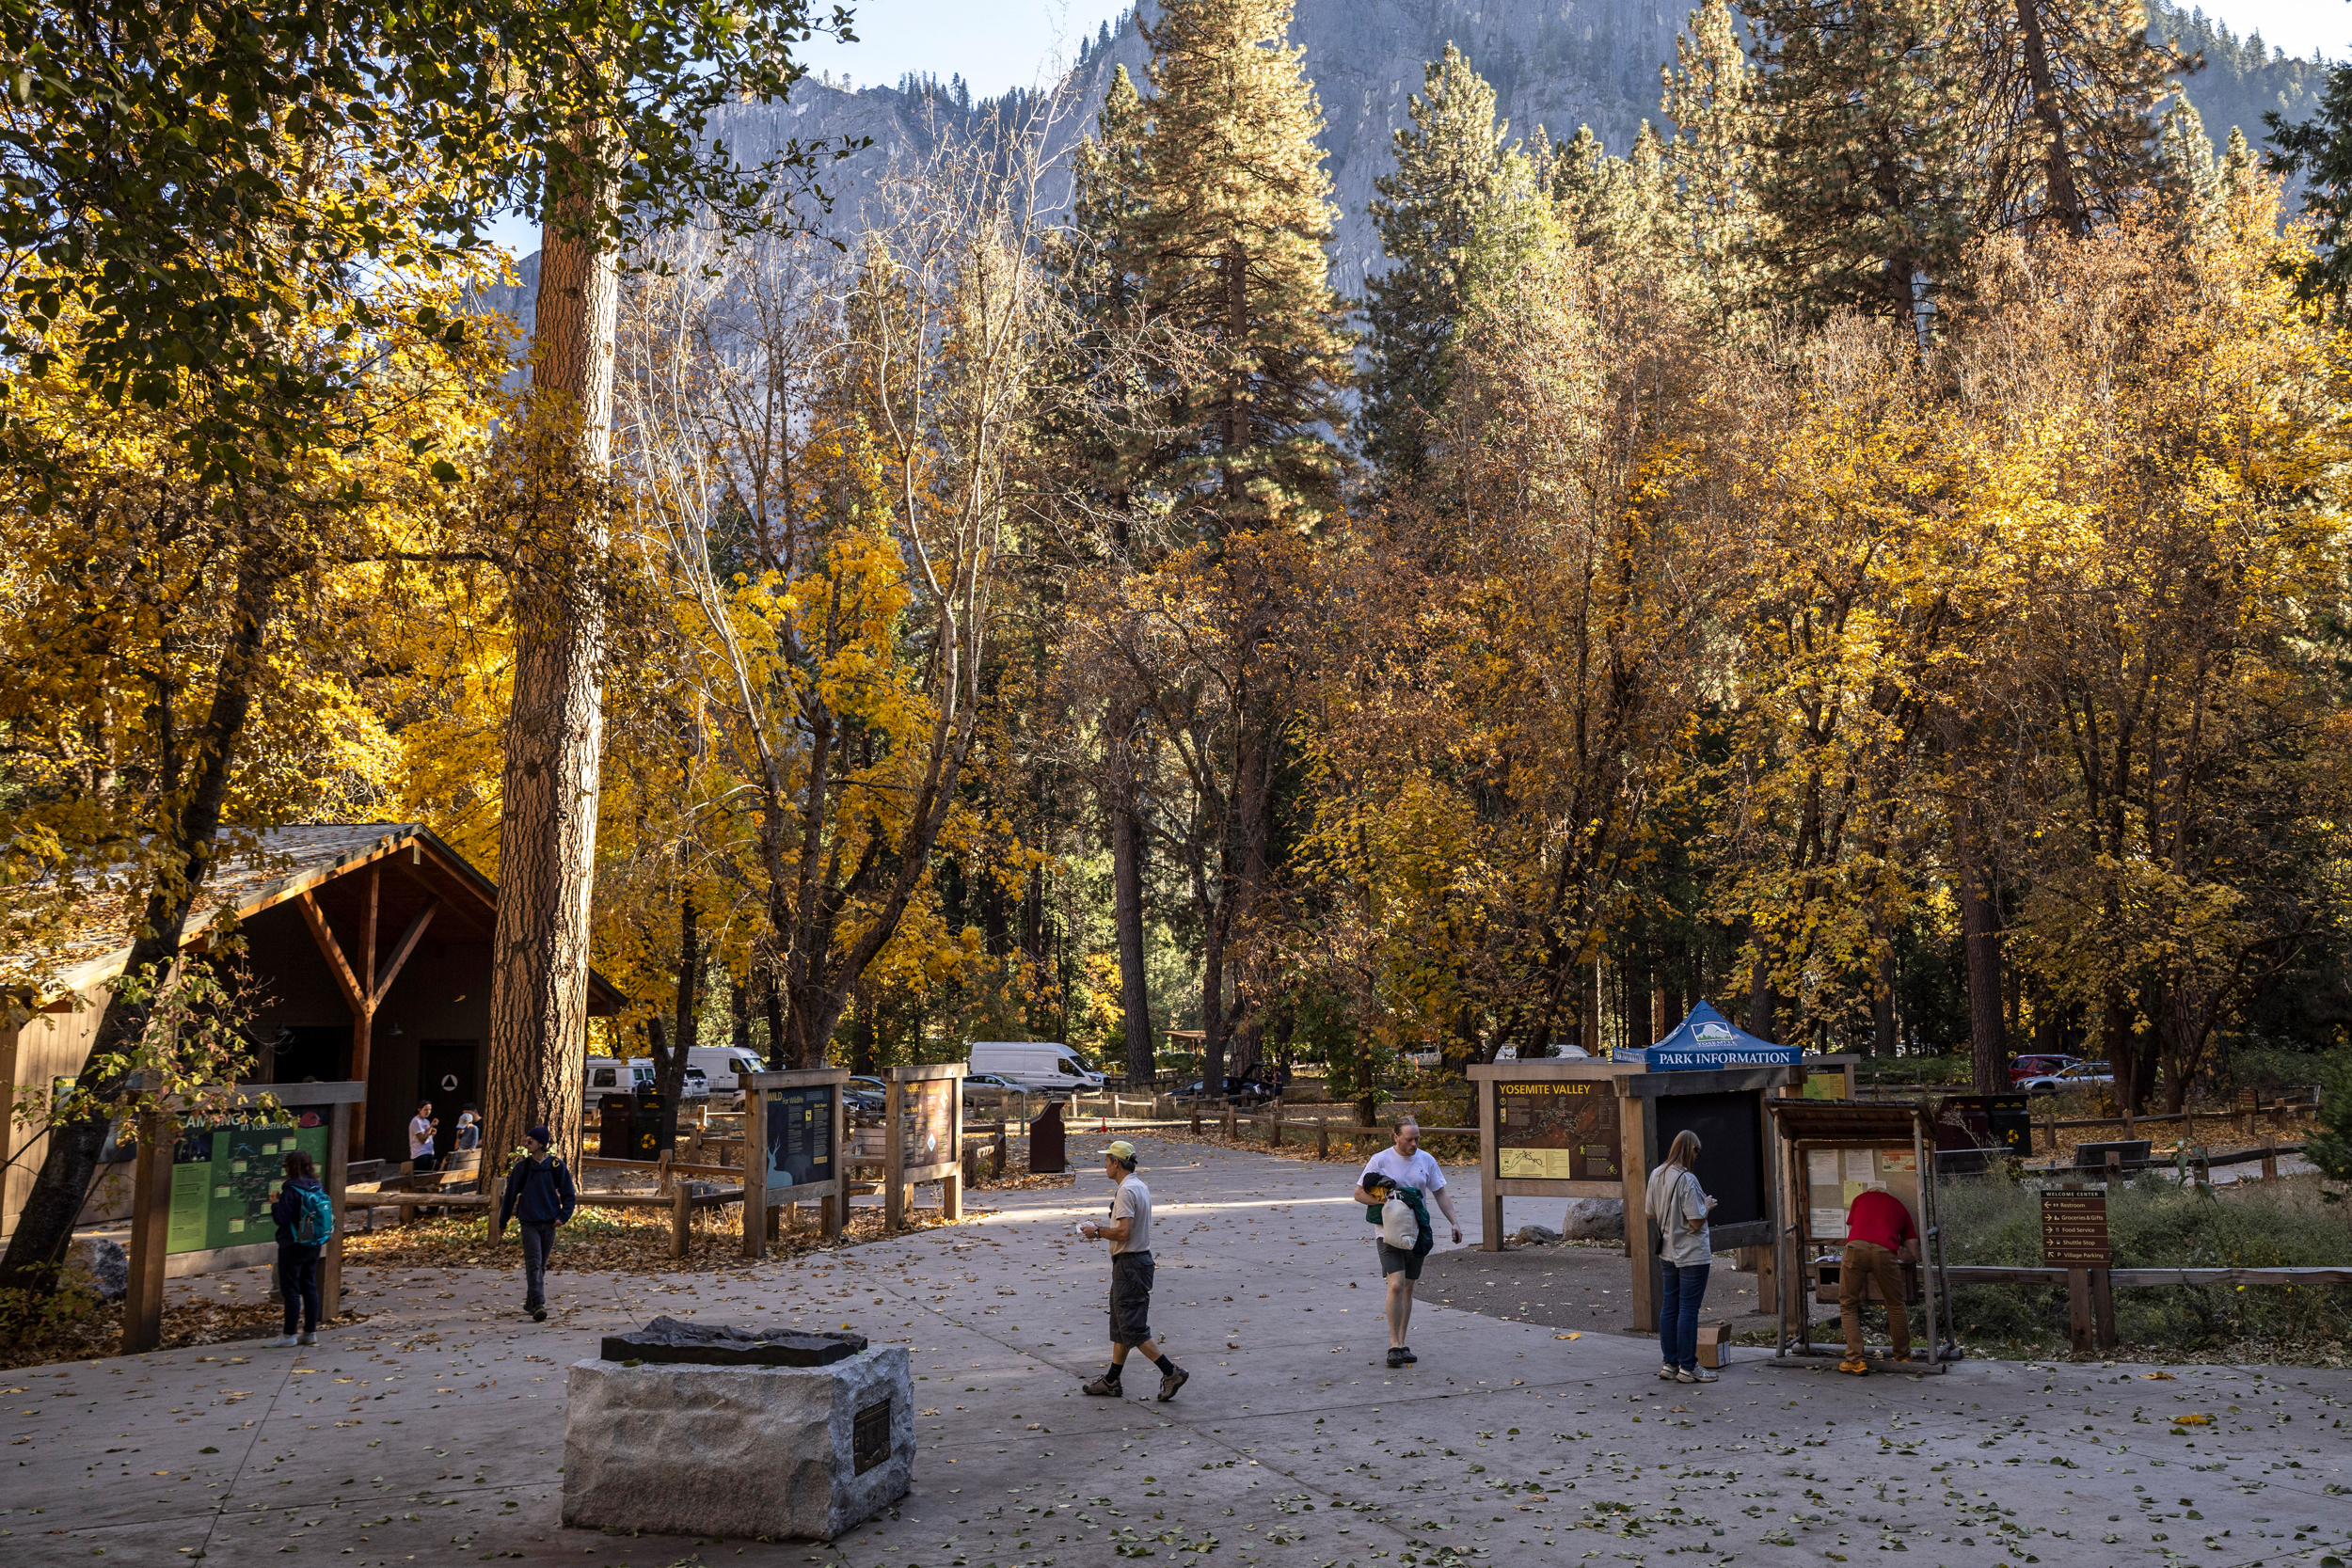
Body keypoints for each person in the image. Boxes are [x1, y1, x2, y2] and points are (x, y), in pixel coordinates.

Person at [1077, 1140, 1187, 1401]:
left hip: (1130, 1265)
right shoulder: (1139, 1186)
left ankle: (1171, 1372)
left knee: (1133, 1329)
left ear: (1116, 1162)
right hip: (1133, 1263)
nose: (1104, 1164)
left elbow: (1125, 1232)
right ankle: (1112, 1381)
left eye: (1106, 1160)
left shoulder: (1126, 1190)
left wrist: (1097, 1232)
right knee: (1120, 1325)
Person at [1351, 1117, 1462, 1369]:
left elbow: (1440, 1192)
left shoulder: (1426, 1160)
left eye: (1417, 1139)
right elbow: (1359, 1194)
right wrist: (1390, 1201)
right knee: (1396, 1286)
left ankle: (1401, 1343)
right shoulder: (1380, 1160)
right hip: (1387, 1232)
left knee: (1409, 1288)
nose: (1414, 1143)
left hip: (1417, 1231)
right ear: (1396, 1137)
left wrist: (1454, 1222)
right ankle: (1393, 1344)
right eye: (1409, 1139)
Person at [1645, 1130, 1718, 1384]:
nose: (1698, 1156)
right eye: (1696, 1150)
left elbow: (1650, 1212)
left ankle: (1670, 1363)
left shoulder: (1657, 1174)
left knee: (1670, 1307)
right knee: (1688, 1309)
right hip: (1691, 1253)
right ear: (1689, 1149)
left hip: (1667, 1250)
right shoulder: (1688, 1179)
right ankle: (1689, 1367)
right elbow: (1696, 1221)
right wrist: (1706, 1206)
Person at [495, 1125, 576, 1322]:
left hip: (549, 1222)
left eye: (530, 1141)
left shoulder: (556, 1166)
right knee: (533, 1262)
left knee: (541, 1265)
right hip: (529, 1221)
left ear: (541, 1144)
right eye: (526, 1140)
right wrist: (502, 1222)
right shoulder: (522, 1168)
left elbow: (569, 1194)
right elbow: (510, 1196)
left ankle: (530, 1302)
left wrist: (563, 1216)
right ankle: (539, 1303)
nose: (526, 1144)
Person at [1837, 1185, 1919, 1374]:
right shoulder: (1899, 1207)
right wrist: (1898, 1253)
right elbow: (1914, 1254)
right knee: (1896, 1305)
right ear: (1887, 1195)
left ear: (1872, 1192)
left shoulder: (1860, 1198)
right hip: (1885, 1251)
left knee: (1848, 1304)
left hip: (1854, 1249)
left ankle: (1856, 1360)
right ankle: (1902, 1356)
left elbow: (1852, 1230)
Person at [266, 1148, 330, 1348]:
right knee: (309, 1286)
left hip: (292, 1244)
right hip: (314, 1243)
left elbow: (281, 1219)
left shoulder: (291, 1190)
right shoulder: (317, 1187)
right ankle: (310, 1332)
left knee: (291, 1290)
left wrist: (275, 1204)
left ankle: (289, 1335)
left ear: (290, 1167)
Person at [407, 1101, 437, 1174]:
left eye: (430, 1109)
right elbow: (422, 1139)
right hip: (420, 1153)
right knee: (420, 1177)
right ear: (419, 1110)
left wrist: (432, 1134)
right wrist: (431, 1127)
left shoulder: (426, 1121)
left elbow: (427, 1137)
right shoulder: (416, 1121)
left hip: (429, 1152)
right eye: (426, 1110)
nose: (428, 1112)